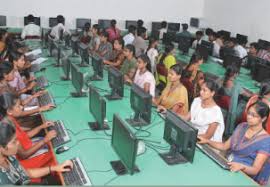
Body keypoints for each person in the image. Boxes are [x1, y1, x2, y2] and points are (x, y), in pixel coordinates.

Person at [198, 101, 270, 185]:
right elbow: (224, 146)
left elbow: (255, 170)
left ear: (263, 118)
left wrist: (241, 167)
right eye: (249, 113)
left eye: (254, 115)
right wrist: (207, 141)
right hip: (227, 164)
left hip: (242, 174)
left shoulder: (266, 140)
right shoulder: (242, 126)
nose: (249, 117)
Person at [0, 121, 73, 185]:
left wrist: (54, 168)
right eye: (14, 142)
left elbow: (27, 173)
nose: (18, 143)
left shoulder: (9, 156)